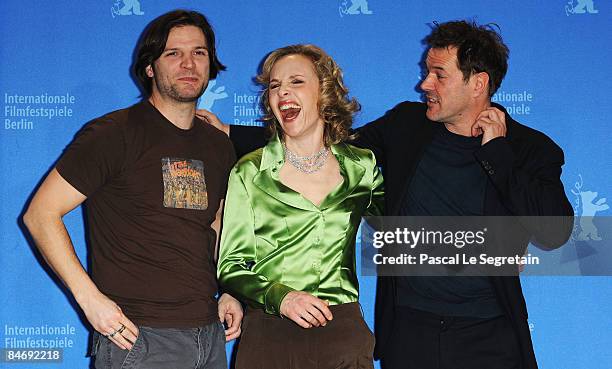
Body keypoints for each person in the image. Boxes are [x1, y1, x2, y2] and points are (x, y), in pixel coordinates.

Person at [201, 20, 573, 369]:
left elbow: (554, 233)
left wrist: (498, 154)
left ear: (478, 83)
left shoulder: (530, 149)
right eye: (427, 72)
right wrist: (233, 134)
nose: (424, 84)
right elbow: (329, 144)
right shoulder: (408, 125)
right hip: (411, 330)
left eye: (439, 75)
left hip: (489, 331)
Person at [23, 10, 242, 369]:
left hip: (209, 335)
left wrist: (227, 287)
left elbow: (214, 226)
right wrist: (89, 299)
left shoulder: (218, 145)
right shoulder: (114, 133)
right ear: (150, 67)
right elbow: (40, 215)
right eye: (173, 53)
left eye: (199, 52)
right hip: (139, 338)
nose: (189, 63)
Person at [216, 44, 383, 368]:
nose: (282, 93)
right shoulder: (250, 171)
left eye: (296, 82)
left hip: (342, 337)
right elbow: (232, 267)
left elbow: (399, 233)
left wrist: (489, 247)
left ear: (324, 91)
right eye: (275, 86)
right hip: (269, 336)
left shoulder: (361, 166)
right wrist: (282, 297)